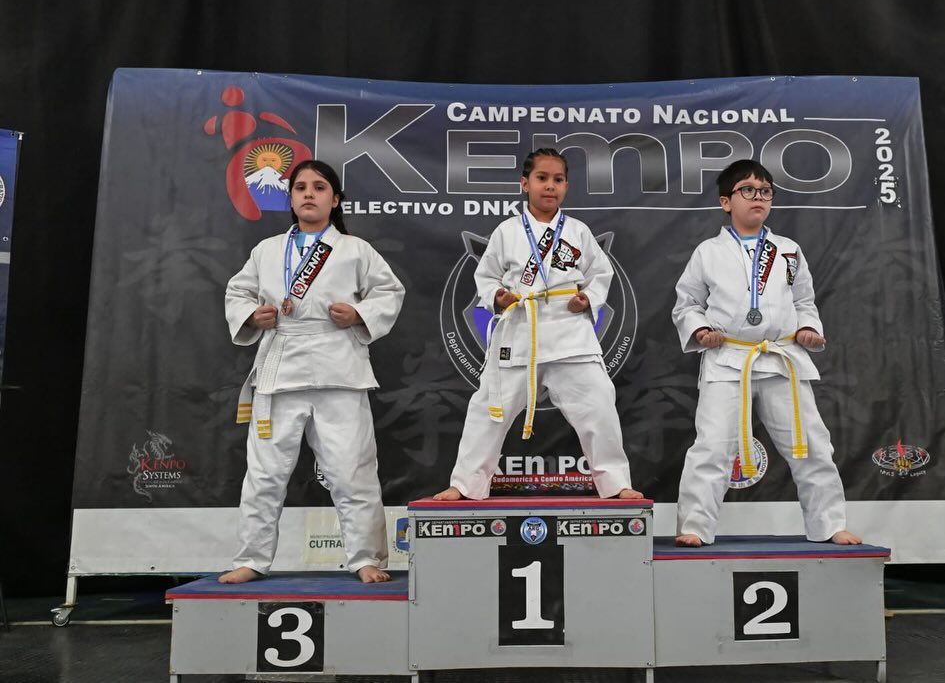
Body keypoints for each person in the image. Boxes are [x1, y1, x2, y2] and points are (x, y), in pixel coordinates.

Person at [219, 159, 405, 583]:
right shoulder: (267, 251)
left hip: (339, 369)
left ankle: (366, 558)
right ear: (290, 198)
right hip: (279, 367)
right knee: (264, 474)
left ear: (334, 199)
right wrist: (252, 315)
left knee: (352, 470)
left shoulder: (355, 249)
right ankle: (251, 558)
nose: (308, 193)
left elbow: (390, 291)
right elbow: (237, 292)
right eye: (300, 187)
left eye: (319, 187)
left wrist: (359, 313)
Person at [672, 158, 861, 547]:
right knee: (712, 447)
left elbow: (804, 301)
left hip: (781, 359)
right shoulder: (708, 252)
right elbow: (686, 304)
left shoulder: (788, 250)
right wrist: (701, 330)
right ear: (726, 202)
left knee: (812, 445)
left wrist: (809, 329)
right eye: (748, 190)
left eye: (765, 191)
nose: (758, 197)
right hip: (728, 360)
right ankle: (694, 526)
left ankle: (829, 524)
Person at [434, 148, 642, 501]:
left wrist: (587, 298)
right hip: (520, 330)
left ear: (566, 187)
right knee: (487, 409)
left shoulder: (577, 231)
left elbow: (600, 274)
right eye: (542, 178)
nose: (550, 186)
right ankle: (465, 484)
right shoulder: (507, 231)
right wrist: (498, 295)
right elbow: (485, 276)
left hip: (569, 332)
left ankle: (616, 482)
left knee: (599, 405)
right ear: (524, 184)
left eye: (558, 180)